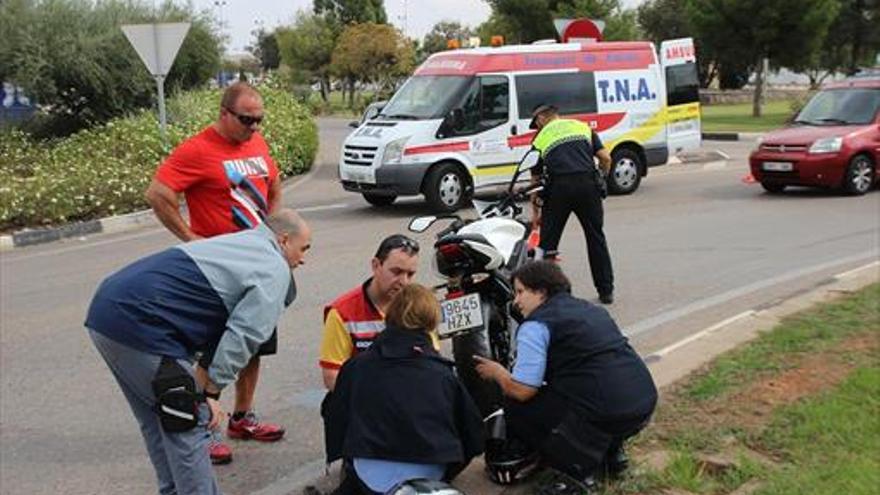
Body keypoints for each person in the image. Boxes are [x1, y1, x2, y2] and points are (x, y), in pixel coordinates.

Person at [85, 209, 311, 495]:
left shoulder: (239, 244)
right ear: (283, 239)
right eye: (303, 248)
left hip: (107, 312)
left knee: (161, 422)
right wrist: (210, 394)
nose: (303, 258)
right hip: (141, 324)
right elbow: (245, 335)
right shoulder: (273, 267)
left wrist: (205, 386)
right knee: (189, 422)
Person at [144, 81, 284, 463]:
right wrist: (191, 239)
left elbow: (273, 183)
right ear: (224, 114)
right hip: (220, 271)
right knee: (213, 350)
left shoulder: (256, 144)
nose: (254, 127)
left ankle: (242, 416)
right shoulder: (197, 149)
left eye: (259, 120)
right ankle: (203, 428)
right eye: (246, 120)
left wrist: (271, 229)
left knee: (252, 342)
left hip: (258, 264)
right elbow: (158, 193)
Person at [474, 261, 656, 494]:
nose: (516, 301)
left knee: (515, 404)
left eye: (520, 292)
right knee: (583, 390)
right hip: (642, 405)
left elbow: (523, 390)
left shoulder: (536, 325)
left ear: (541, 292)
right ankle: (612, 454)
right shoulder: (591, 310)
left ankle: (575, 472)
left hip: (607, 412)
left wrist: (498, 373)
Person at [324, 284, 484, 494]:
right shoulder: (443, 374)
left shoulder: (357, 367)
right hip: (430, 473)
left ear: (390, 315)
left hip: (370, 474)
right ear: (431, 322)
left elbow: (336, 416)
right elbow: (472, 434)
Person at [529, 104, 616, 304]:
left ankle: (543, 294)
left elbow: (534, 181)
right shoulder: (582, 127)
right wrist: (602, 177)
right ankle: (606, 290)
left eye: (537, 124)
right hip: (587, 186)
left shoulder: (540, 138)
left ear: (542, 118)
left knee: (547, 245)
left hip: (558, 188)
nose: (537, 128)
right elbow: (605, 157)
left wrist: (536, 213)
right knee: (596, 238)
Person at [318, 234, 422, 392]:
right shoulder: (343, 312)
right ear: (376, 265)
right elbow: (332, 375)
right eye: (396, 272)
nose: (404, 282)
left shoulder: (417, 307)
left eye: (410, 274)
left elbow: (430, 361)